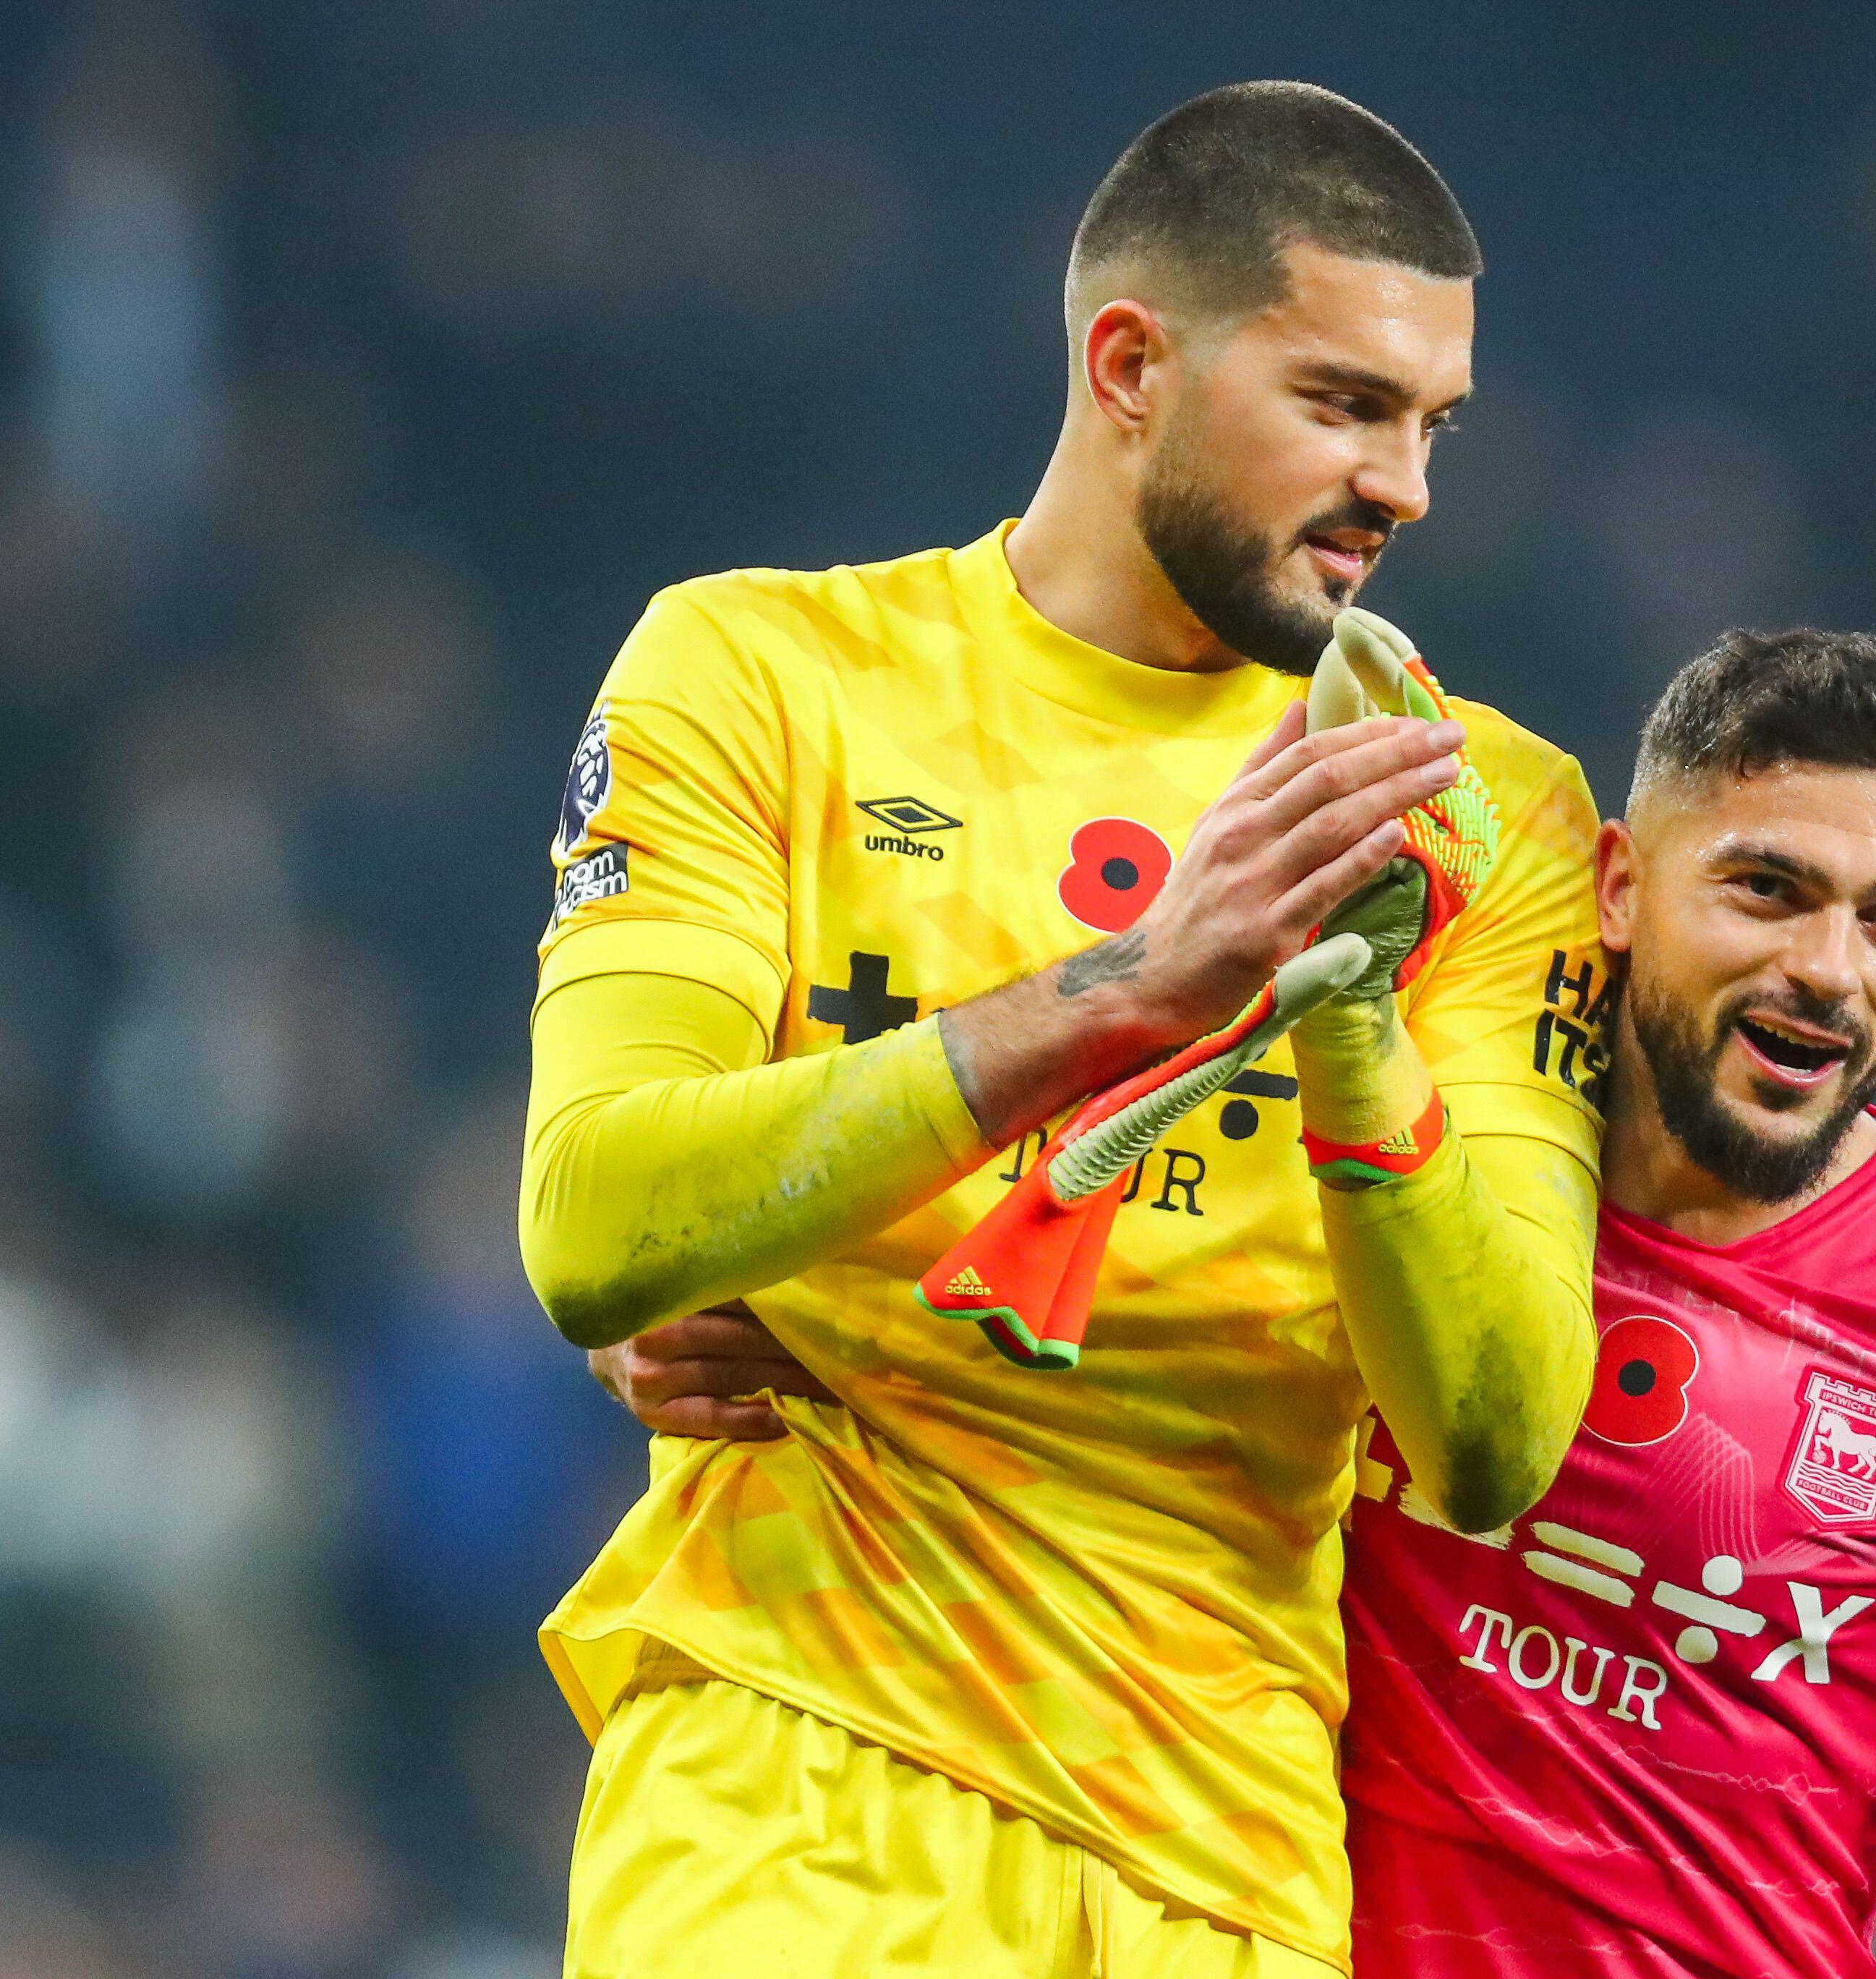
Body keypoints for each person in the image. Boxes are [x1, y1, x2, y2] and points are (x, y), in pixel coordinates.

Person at [605, 630, 1876, 1978]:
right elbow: (1019, 1204)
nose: (1829, 967)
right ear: (1610, 886)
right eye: (1767, 890)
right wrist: (735, 1285)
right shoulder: (1372, 1182)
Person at [521, 83, 1607, 1979]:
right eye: (1343, 403)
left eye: (1431, 425)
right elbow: (595, 1223)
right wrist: (1136, 991)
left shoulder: (1481, 815)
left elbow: (1501, 1437)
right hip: (799, 1787)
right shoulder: (762, 675)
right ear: (1130, 367)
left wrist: (1347, 1010)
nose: (1408, 485)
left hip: (1233, 1863)